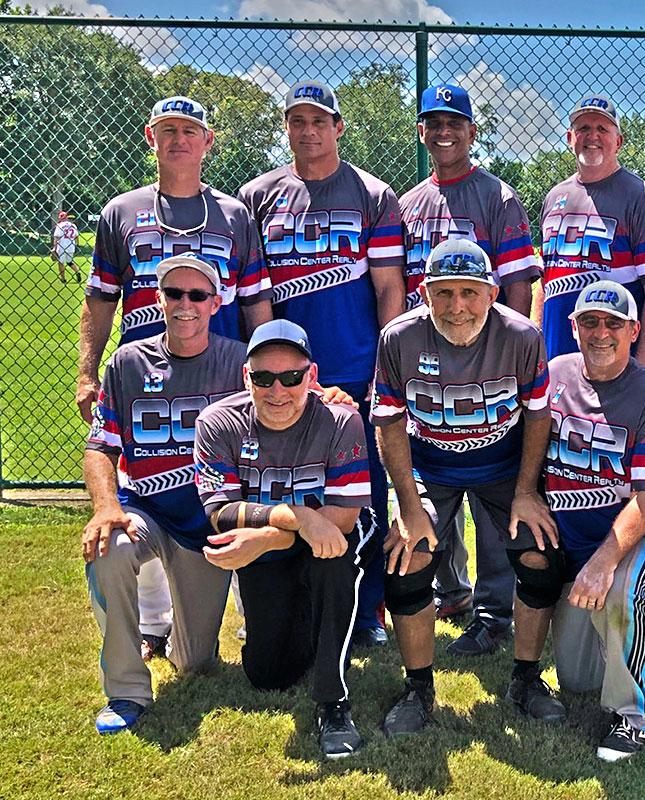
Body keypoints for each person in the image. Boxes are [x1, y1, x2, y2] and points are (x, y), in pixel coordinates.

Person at [77, 95, 273, 663]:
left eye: (190, 130)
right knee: (144, 483)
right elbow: (101, 298)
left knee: (229, 486)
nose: (179, 140)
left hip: (217, 372)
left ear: (207, 141)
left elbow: (256, 303)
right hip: (144, 373)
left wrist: (268, 370)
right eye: (168, 130)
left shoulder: (234, 215)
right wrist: (87, 373)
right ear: (151, 137)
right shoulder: (122, 211)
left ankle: (250, 618)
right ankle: (152, 624)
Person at [238, 79, 407, 649]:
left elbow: (389, 288)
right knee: (277, 490)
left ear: (338, 127)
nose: (308, 131)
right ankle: (277, 605)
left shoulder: (373, 194)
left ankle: (367, 611)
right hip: (282, 379)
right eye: (297, 121)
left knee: (363, 496)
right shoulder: (257, 195)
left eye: (319, 121)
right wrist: (267, 370)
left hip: (355, 369)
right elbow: (254, 293)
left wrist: (384, 368)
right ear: (286, 127)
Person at [371, 239, 564, 736]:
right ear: (424, 293)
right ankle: (418, 688)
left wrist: (527, 491)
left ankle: (526, 678)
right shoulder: (399, 337)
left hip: (502, 465)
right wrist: (408, 505)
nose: (457, 306)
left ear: (492, 293)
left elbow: (538, 415)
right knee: (408, 557)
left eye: (470, 292)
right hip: (431, 466)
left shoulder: (521, 335)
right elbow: (388, 421)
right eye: (444, 292)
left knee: (539, 553)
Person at [397, 82, 542, 647]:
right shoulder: (409, 203)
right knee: (437, 482)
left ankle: (493, 612)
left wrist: (501, 356)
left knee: (490, 495)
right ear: (422, 132)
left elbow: (518, 285)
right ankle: (449, 590)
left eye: (454, 122)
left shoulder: (496, 197)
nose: (444, 131)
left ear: (472, 132)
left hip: (486, 360)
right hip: (428, 357)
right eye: (434, 122)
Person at [193, 319, 376, 759]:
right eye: (264, 378)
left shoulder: (341, 419)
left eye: (292, 377)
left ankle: (333, 702)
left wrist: (271, 537)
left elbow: (342, 519)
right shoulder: (217, 422)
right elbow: (220, 513)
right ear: (246, 377)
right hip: (281, 537)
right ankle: (315, 628)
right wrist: (298, 519)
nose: (278, 391)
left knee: (332, 560)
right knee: (268, 675)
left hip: (331, 533)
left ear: (312, 376)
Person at [82, 254, 246, 734]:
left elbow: (291, 401)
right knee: (109, 547)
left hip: (209, 525)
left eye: (197, 295)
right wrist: (106, 506)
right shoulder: (128, 363)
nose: (185, 304)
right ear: (158, 299)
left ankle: (178, 640)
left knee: (194, 662)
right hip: (148, 512)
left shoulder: (240, 361)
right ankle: (127, 690)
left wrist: (329, 397)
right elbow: (100, 446)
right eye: (174, 293)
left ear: (215, 303)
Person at [543, 281, 645, 761]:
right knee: (577, 680)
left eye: (613, 323)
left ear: (634, 331)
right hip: (571, 541)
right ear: (573, 328)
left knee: (618, 589)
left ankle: (634, 715)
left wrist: (603, 561)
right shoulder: (554, 374)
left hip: (636, 541)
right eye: (590, 322)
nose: (601, 333)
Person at [536, 94, 645, 366]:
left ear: (619, 142)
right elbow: (545, 281)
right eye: (584, 128)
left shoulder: (642, 198)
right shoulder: (555, 197)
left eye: (602, 128)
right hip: (556, 359)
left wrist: (643, 366)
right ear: (570, 138)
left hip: (614, 366)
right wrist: (537, 346)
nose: (593, 136)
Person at [51, 211, 83, 283]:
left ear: (60, 218)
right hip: (71, 246)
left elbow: (57, 237)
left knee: (60, 262)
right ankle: (77, 272)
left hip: (62, 246)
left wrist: (54, 248)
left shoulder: (59, 225)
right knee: (69, 262)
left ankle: (63, 279)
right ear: (67, 217)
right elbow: (76, 236)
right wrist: (76, 244)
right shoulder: (73, 225)